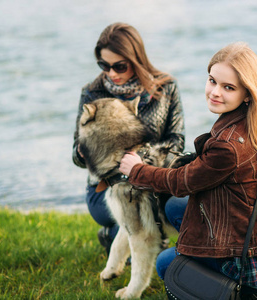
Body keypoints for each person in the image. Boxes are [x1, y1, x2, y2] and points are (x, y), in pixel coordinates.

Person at [119, 42, 257, 299]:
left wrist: (137, 170)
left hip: (256, 260)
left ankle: (249, 293)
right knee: (175, 207)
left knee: (167, 263)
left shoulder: (228, 147)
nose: (215, 92)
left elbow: (180, 183)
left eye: (228, 87)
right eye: (212, 81)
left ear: (247, 94)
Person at [72, 22, 185, 254]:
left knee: (154, 221)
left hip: (155, 182)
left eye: (119, 66)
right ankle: (119, 233)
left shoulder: (167, 87)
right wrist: (82, 152)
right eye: (104, 65)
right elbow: (76, 155)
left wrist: (143, 163)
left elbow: (177, 142)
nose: (111, 73)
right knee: (139, 231)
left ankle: (124, 235)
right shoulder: (91, 92)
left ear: (136, 60)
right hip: (107, 188)